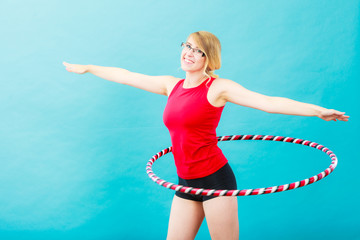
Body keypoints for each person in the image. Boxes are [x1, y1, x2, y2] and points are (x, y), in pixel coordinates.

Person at [63, 31, 349, 240]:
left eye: (197, 50)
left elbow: (268, 102)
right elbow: (126, 75)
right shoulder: (170, 85)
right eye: (186, 46)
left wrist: (317, 110)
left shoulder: (218, 88)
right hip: (186, 180)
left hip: (215, 179)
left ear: (208, 57)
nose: (189, 53)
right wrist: (89, 68)